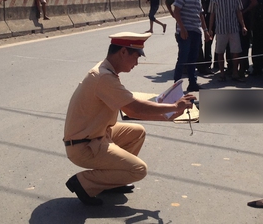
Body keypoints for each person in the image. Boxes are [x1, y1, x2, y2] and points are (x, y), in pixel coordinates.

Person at [63, 32, 196, 206]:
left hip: (97, 135)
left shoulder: (105, 70)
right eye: (136, 57)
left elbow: (131, 105)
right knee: (139, 170)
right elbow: (134, 109)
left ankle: (112, 180)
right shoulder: (104, 77)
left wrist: (167, 114)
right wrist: (173, 107)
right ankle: (84, 183)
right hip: (84, 146)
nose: (137, 63)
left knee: (137, 132)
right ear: (123, 52)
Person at [172, 0, 210, 92]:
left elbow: (200, 14)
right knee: (183, 58)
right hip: (185, 31)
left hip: (196, 30)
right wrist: (182, 29)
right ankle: (176, 86)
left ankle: (192, 83)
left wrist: (205, 30)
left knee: (193, 59)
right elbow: (176, 11)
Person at [208, 0, 247, 81]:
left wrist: (243, 26)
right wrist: (210, 29)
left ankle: (235, 72)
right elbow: (212, 14)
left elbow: (239, 12)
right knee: (220, 52)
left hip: (234, 29)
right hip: (221, 30)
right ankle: (221, 74)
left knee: (235, 52)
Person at [230, 0, 257, 77]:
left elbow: (254, 2)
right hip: (233, 20)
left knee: (243, 46)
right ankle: (233, 68)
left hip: (243, 20)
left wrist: (244, 11)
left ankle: (242, 69)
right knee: (234, 46)